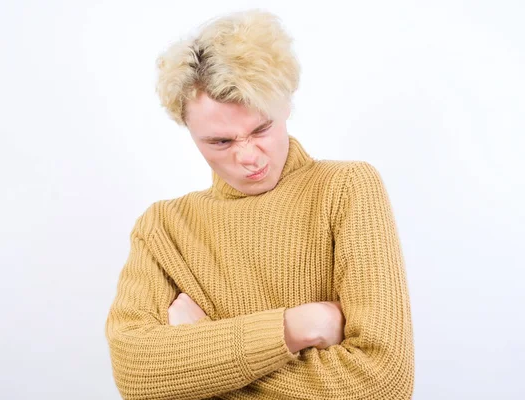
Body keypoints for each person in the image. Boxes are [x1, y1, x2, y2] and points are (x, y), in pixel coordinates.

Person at [105, 9, 414, 400]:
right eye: (221, 142)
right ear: (190, 132)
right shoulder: (163, 228)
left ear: (285, 105)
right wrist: (295, 327)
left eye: (261, 129)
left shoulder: (345, 188)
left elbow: (382, 384)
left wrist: (199, 353)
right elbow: (135, 373)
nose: (249, 157)